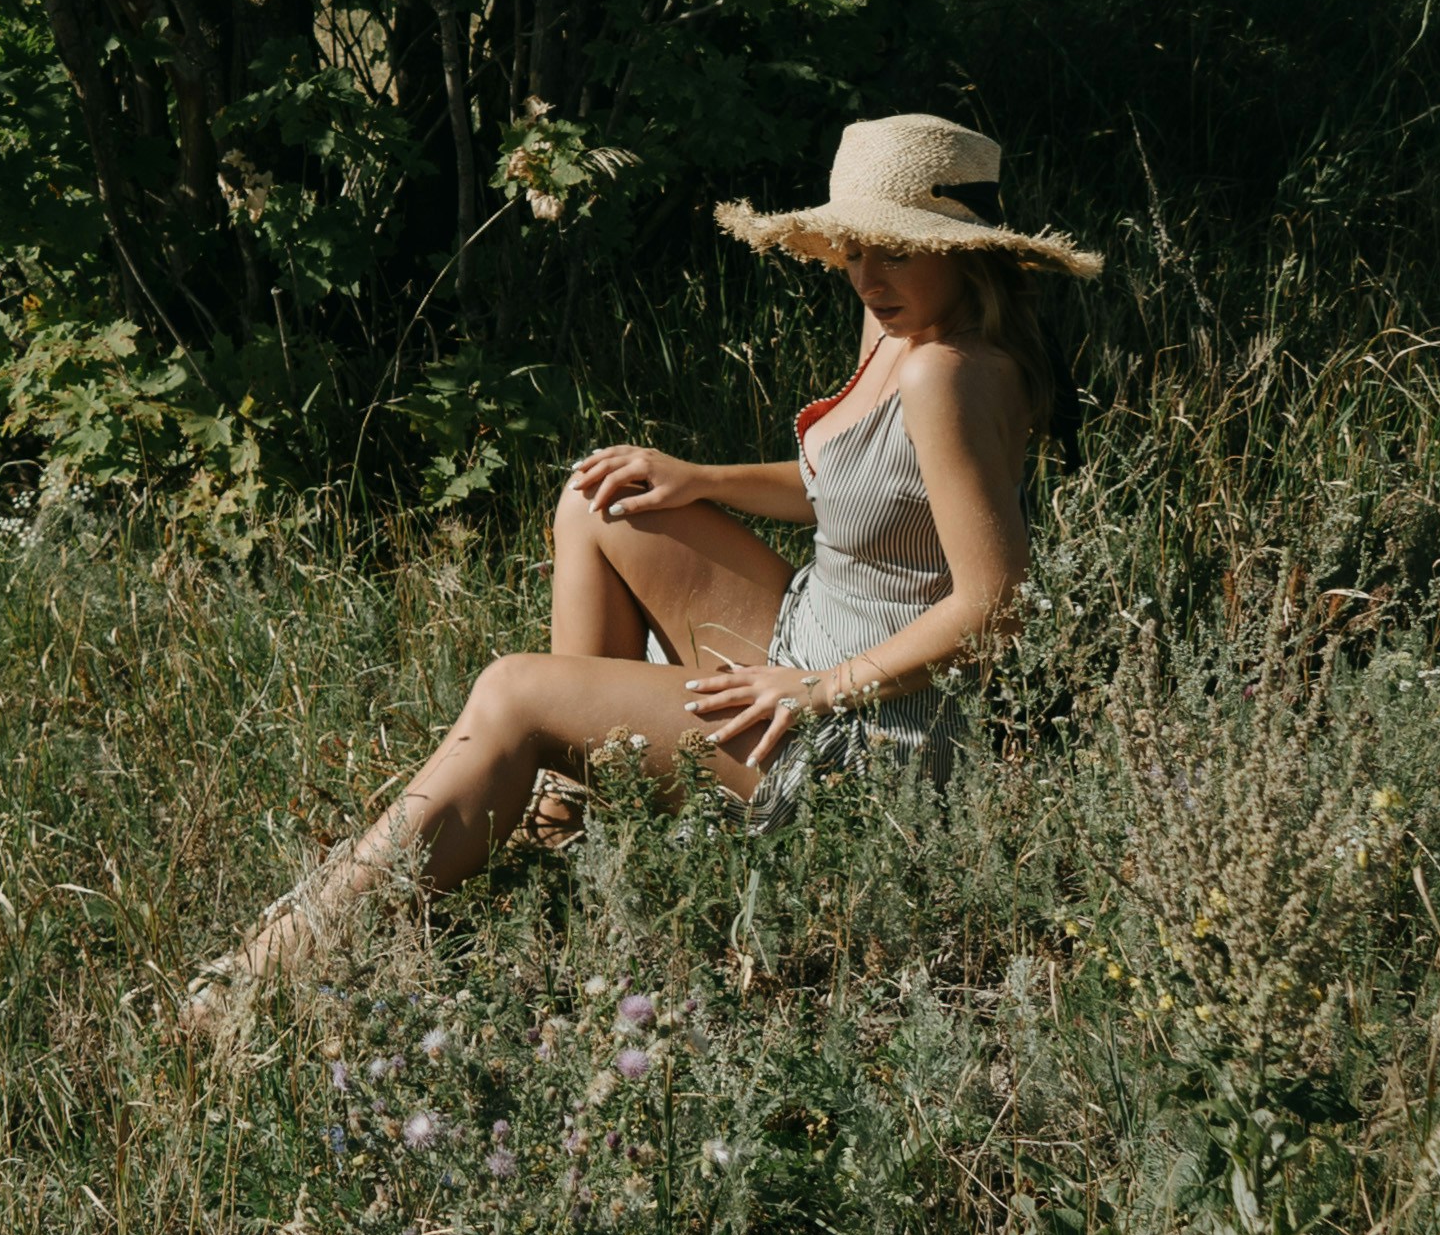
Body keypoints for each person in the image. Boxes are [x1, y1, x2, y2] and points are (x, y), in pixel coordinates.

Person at [184, 114, 1094, 1025]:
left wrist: (819, 688)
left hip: (870, 732)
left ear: (962, 249)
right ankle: (560, 824)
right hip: (807, 636)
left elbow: (995, 605)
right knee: (600, 498)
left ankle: (268, 970)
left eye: (891, 248)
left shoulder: (948, 372)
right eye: (850, 246)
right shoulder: (897, 322)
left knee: (515, 693)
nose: (864, 273)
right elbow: (857, 489)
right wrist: (701, 478)